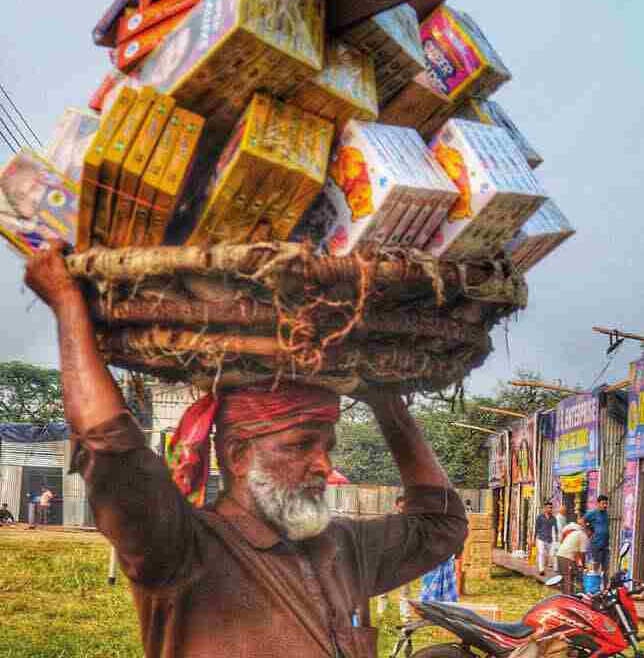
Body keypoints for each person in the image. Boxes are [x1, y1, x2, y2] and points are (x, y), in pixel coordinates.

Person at [25, 242, 468, 658]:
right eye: (300, 445)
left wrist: (386, 400)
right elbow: (112, 447)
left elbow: (441, 523)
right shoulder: (181, 550)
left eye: (327, 445)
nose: (324, 465)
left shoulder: (345, 547)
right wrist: (68, 305)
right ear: (237, 455)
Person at [556, 515, 590, 596]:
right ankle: (567, 598)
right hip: (566, 556)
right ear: (589, 531)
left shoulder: (577, 532)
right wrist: (583, 566)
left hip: (561, 555)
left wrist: (578, 565)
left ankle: (565, 596)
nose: (591, 536)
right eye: (591, 534)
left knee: (565, 579)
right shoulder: (584, 536)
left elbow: (577, 553)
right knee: (568, 579)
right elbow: (582, 554)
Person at [583, 493, 610, 578]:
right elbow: (582, 521)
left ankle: (604, 588)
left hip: (605, 545)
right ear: (598, 503)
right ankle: (592, 586)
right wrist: (588, 531)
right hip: (596, 544)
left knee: (605, 568)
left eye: (606, 503)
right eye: (603, 503)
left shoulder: (606, 514)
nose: (605, 505)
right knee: (595, 566)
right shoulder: (593, 513)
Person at [535, 500, 558, 577]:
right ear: (545, 508)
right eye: (548, 508)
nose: (549, 509)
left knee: (551, 554)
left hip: (550, 539)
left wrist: (557, 538)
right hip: (541, 538)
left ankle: (555, 568)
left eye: (551, 508)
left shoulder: (553, 518)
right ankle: (541, 570)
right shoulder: (540, 517)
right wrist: (533, 538)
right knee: (541, 553)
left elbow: (556, 529)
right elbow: (536, 528)